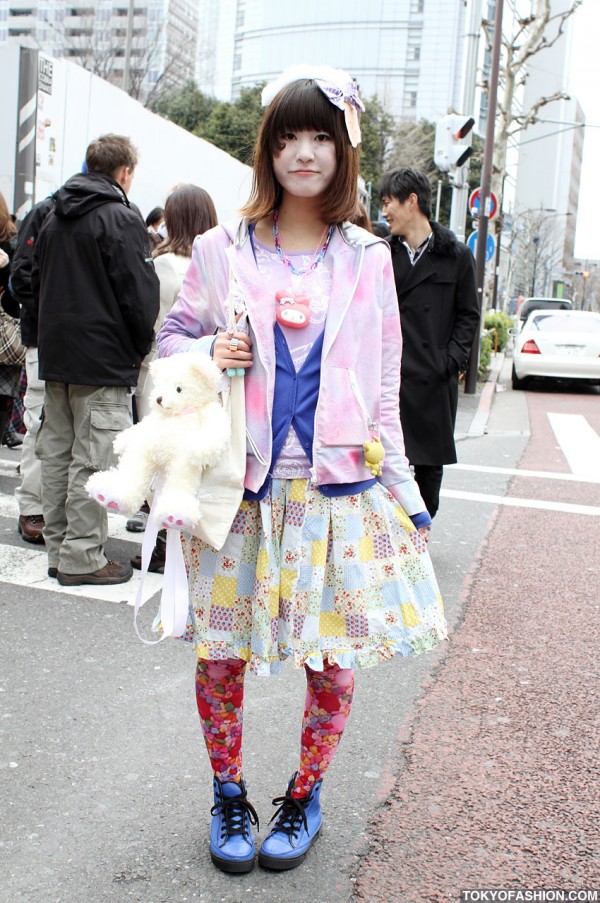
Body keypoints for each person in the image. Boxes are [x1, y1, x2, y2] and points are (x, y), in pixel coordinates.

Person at [157, 65, 446, 875]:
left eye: (321, 135)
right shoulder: (220, 250)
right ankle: (227, 793)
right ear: (268, 149)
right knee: (219, 658)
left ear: (344, 148)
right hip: (239, 491)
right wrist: (209, 348)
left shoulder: (368, 259)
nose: (305, 153)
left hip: (333, 494)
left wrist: (407, 495)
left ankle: (305, 791)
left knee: (333, 658)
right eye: (288, 136)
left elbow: (383, 389)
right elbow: (168, 344)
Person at [32, 133, 159, 586]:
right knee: (94, 460)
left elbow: (35, 282)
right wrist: (139, 345)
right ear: (124, 172)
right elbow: (139, 295)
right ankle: (82, 557)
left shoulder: (53, 216)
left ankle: (60, 550)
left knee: (59, 455)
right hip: (101, 358)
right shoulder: (119, 218)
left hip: (58, 354)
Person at [379, 168, 480, 518]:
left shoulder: (455, 255)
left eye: (389, 201)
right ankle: (390, 541)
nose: (384, 211)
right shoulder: (383, 254)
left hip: (432, 379)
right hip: (389, 378)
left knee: (428, 472)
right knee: (382, 464)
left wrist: (449, 361)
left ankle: (418, 540)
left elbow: (469, 315)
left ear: (412, 201)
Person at [127, 183, 218, 565]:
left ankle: (164, 546)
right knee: (189, 464)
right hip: (202, 379)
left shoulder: (163, 265)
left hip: (161, 374)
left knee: (160, 458)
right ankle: (181, 545)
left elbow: (150, 322)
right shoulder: (218, 262)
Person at [10, 194, 55, 543]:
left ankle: (48, 507)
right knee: (39, 422)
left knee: (65, 427)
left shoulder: (114, 212)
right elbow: (21, 276)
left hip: (77, 340)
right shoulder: (45, 210)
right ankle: (32, 508)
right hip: (44, 335)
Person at [0, 192, 24, 450]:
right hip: (7, 329)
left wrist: (6, 268)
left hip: (5, 328)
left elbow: (16, 288)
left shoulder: (10, 247)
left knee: (7, 391)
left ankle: (6, 431)